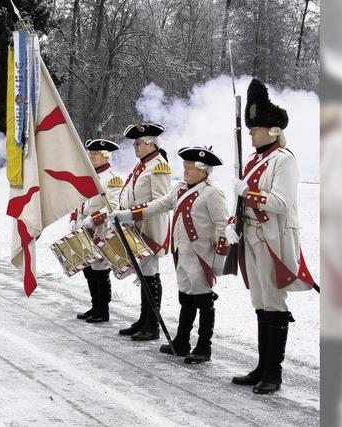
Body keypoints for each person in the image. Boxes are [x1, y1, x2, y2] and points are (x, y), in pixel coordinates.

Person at [227, 78, 314, 394]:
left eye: (256, 127)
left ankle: (273, 373)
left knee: (274, 302)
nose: (250, 132)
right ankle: (262, 367)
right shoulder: (254, 161)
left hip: (273, 238)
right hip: (252, 237)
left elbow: (280, 202)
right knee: (261, 302)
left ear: (273, 130)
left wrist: (248, 193)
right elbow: (243, 199)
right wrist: (231, 221)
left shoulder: (284, 159)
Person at [110, 146, 228, 362]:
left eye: (190, 167)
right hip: (182, 252)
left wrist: (220, 258)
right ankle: (182, 340)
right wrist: (128, 215)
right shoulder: (180, 189)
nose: (186, 171)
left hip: (201, 255)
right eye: (185, 166)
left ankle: (204, 346)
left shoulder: (212, 193)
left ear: (204, 171)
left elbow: (222, 227)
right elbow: (160, 204)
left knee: (203, 300)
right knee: (186, 297)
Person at [115, 123, 171, 341]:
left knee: (150, 275)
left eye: (138, 143)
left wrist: (131, 214)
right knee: (144, 275)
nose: (135, 147)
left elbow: (161, 202)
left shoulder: (158, 166)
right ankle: (143, 319)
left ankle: (152, 325)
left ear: (150, 143)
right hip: (136, 226)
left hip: (151, 228)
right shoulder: (143, 165)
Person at [72, 138, 123, 323]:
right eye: (91, 154)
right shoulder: (89, 175)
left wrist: (93, 219)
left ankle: (103, 310)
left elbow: (114, 207)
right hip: (84, 229)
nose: (92, 157)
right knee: (89, 270)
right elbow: (80, 200)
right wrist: (74, 219)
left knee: (100, 271)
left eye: (95, 155)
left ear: (105, 156)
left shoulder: (113, 178)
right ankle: (95, 306)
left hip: (100, 230)